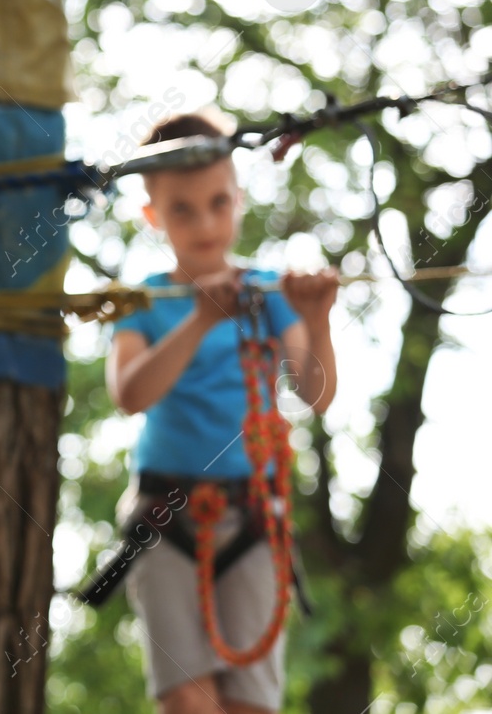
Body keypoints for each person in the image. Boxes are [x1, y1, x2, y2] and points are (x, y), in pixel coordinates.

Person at [106, 112, 339, 714]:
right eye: (182, 209)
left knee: (250, 705)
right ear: (153, 217)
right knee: (189, 701)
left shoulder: (267, 292)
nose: (206, 223)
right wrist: (201, 320)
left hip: (255, 514)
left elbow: (313, 394)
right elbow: (130, 394)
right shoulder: (144, 301)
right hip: (164, 515)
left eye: (217, 202)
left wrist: (316, 317)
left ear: (237, 199)